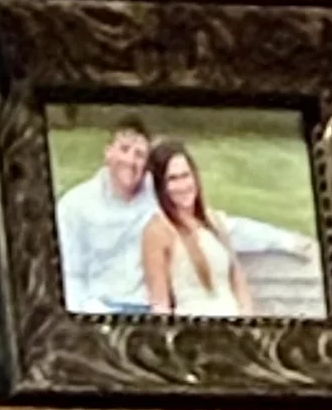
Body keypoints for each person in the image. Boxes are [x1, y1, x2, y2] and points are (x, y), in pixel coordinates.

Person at [140, 139, 256, 317]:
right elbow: (159, 304)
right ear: (161, 186)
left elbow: (237, 279)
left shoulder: (213, 220)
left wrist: (247, 318)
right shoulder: (157, 230)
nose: (182, 186)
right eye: (172, 179)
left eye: (185, 175)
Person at [53, 118, 152, 314]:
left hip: (150, 308)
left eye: (140, 155)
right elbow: (70, 274)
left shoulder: (159, 196)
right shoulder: (74, 205)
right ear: (108, 152)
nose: (131, 161)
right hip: (99, 307)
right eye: (124, 149)